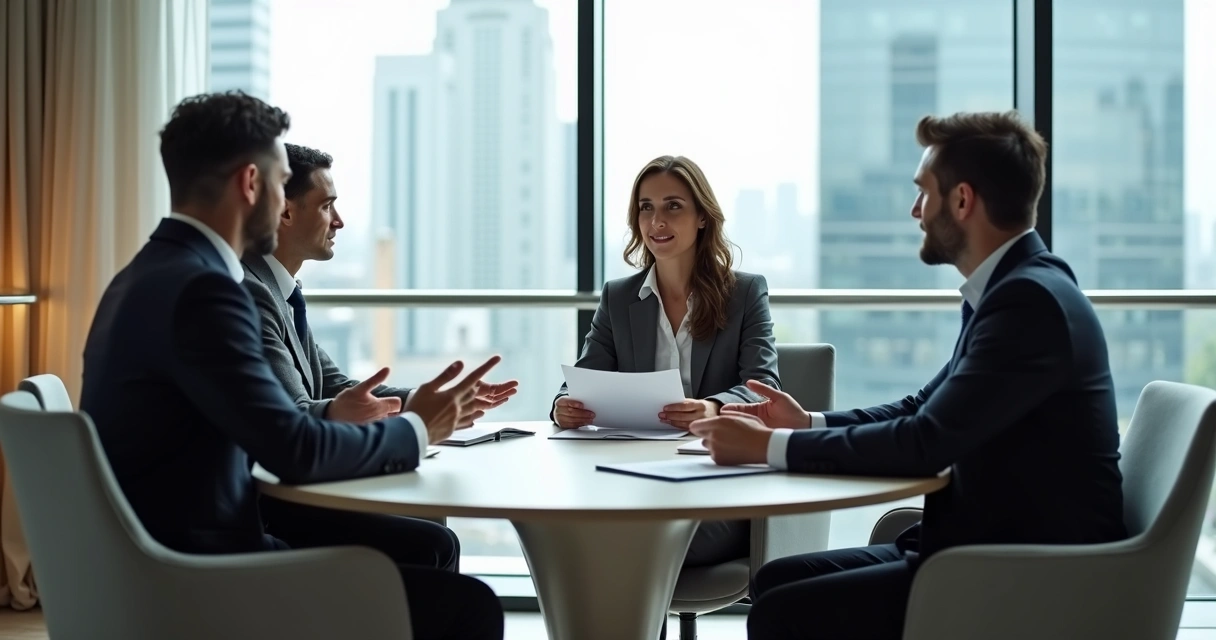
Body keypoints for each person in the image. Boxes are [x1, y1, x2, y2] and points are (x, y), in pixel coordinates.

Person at [80, 91, 505, 640]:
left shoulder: (146, 274)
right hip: (205, 576)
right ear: (251, 184)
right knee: (469, 606)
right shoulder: (206, 292)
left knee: (428, 549)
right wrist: (416, 429)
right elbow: (297, 449)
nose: (284, 202)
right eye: (282, 183)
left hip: (161, 555)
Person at [690, 111, 1128, 640]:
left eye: (924, 192)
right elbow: (924, 406)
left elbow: (925, 442)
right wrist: (806, 422)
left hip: (1023, 572)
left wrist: (767, 448)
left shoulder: (1027, 303)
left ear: (963, 201)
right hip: (982, 544)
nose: (915, 209)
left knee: (781, 612)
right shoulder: (1017, 288)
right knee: (778, 581)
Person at [240, 143, 518, 576]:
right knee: (434, 542)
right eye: (328, 206)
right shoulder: (253, 292)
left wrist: (426, 400)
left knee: (432, 531)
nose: (340, 221)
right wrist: (409, 416)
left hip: (294, 487)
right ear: (286, 212)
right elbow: (296, 413)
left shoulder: (281, 290)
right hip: (275, 505)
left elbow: (333, 385)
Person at [551, 154, 781, 569]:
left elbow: (764, 386)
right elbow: (581, 380)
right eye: (646, 207)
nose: (657, 221)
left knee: (636, 540)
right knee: (582, 531)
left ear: (702, 218)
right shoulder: (619, 298)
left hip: (719, 484)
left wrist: (712, 407)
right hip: (637, 479)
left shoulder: (745, 293)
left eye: (673, 206)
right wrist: (563, 406)